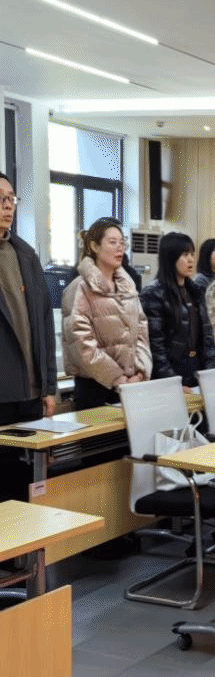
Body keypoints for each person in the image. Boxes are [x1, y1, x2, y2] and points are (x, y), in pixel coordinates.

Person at [0, 172, 57, 502]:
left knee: (29, 487)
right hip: (2, 392)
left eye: (11, 199)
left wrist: (48, 386)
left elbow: (44, 324)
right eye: (1, 199)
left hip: (30, 393)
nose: (8, 206)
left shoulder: (25, 254)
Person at [62, 217, 151, 409]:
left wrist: (140, 373)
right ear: (94, 246)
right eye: (112, 242)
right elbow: (80, 342)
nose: (120, 248)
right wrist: (117, 378)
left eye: (122, 242)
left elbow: (142, 331)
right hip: (95, 388)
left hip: (132, 385)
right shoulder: (79, 288)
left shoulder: (128, 286)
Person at [140, 232, 215, 390]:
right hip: (171, 372)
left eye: (192, 254)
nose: (190, 259)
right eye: (184, 255)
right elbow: (156, 347)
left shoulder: (196, 291)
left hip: (196, 367)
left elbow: (207, 339)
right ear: (170, 258)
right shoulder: (153, 293)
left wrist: (211, 374)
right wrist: (172, 382)